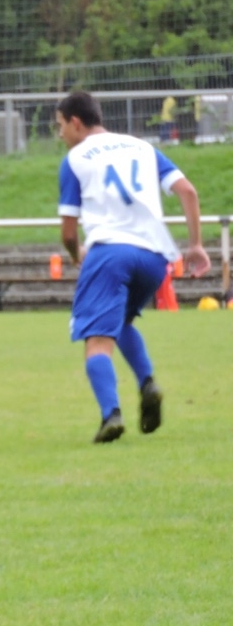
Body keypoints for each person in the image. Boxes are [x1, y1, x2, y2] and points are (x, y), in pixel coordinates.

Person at [55, 91, 210, 444]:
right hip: (155, 258)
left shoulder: (75, 159)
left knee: (96, 341)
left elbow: (67, 231)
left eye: (60, 126)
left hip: (110, 252)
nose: (60, 134)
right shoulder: (141, 147)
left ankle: (111, 415)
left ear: (76, 122)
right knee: (120, 321)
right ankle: (147, 382)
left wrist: (77, 253)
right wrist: (196, 245)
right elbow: (188, 191)